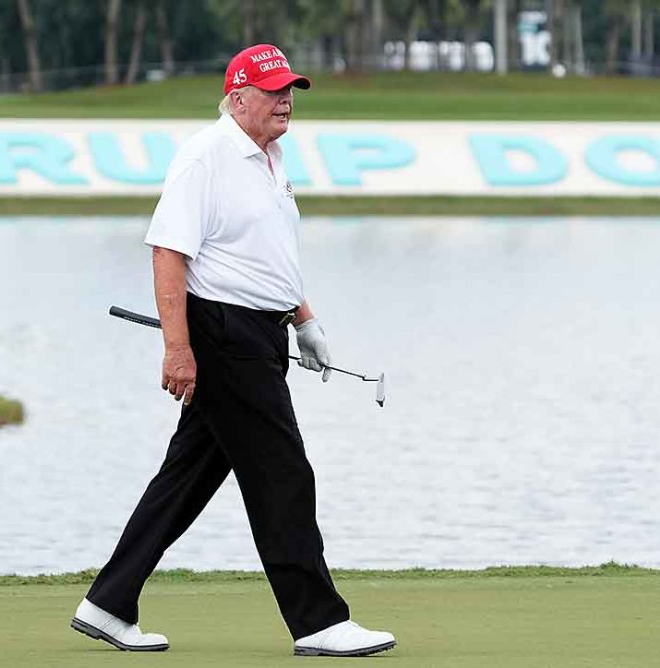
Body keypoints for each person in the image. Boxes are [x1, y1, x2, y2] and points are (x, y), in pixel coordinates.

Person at [69, 44, 397, 658]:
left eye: (291, 90)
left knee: (187, 477)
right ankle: (318, 621)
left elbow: (267, 253)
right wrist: (178, 349)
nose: (286, 101)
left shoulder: (271, 159)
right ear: (238, 97)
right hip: (224, 336)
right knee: (282, 474)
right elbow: (168, 253)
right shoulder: (207, 157)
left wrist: (304, 320)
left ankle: (109, 602)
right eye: (274, 91)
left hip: (264, 332)